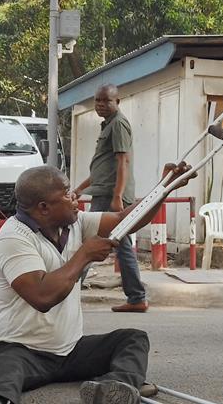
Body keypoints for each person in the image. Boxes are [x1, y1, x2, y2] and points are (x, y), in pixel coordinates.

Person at [0, 162, 195, 404]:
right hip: (26, 350)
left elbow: (125, 220)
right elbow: (42, 297)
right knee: (5, 367)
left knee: (132, 340)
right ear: (43, 208)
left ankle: (113, 389)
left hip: (71, 349)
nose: (75, 197)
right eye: (66, 194)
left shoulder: (74, 222)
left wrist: (165, 186)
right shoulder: (13, 237)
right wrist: (84, 254)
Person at [73, 84, 145, 313]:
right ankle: (136, 297)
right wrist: (79, 189)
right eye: (97, 101)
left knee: (88, 241)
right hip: (103, 192)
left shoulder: (118, 124)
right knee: (120, 245)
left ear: (117, 102)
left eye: (106, 101)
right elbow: (102, 168)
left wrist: (117, 197)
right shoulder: (109, 125)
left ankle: (67, 293)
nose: (100, 105)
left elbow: (123, 161)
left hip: (110, 196)